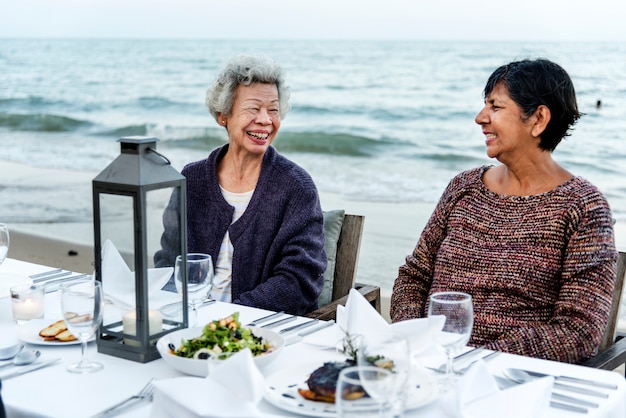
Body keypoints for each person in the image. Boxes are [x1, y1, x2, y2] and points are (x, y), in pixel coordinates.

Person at [390, 58, 618, 364]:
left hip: (515, 382)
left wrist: (477, 359)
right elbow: (413, 277)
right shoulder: (463, 187)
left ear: (538, 118)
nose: (480, 118)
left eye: (495, 107)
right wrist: (414, 336)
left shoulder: (583, 207)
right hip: (427, 362)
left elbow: (577, 331)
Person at [155, 55, 326, 315]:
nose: (265, 120)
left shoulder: (295, 187)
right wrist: (170, 314)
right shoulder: (192, 179)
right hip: (189, 322)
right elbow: (168, 262)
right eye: (253, 108)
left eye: (273, 110)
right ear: (224, 116)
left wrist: (230, 316)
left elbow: (299, 282)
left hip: (261, 331)